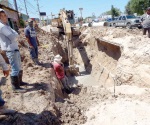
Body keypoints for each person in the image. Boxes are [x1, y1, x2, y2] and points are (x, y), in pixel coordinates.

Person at [0, 9, 26, 92]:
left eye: (5, 15)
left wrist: (15, 34)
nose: (4, 17)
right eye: (1, 16)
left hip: (14, 48)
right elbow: (13, 36)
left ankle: (20, 82)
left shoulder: (6, 25)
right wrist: (15, 35)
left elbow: (15, 33)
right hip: (10, 49)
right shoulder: (2, 27)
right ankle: (15, 87)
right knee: (15, 68)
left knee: (19, 66)